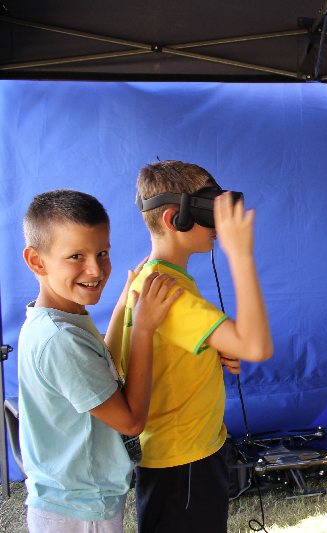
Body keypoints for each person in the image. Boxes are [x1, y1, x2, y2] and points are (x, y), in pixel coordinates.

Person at [116, 160, 274, 532]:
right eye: (209, 211)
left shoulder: (154, 280)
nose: (219, 226)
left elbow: (154, 353)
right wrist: (241, 255)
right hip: (184, 463)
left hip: (181, 457)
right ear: (176, 219)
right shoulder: (167, 292)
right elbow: (256, 347)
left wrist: (208, 351)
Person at [18, 189, 182, 533]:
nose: (95, 269)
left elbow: (98, 369)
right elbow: (131, 421)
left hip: (74, 501)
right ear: (36, 261)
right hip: (79, 511)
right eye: (76, 256)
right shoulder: (60, 339)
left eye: (102, 253)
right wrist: (143, 329)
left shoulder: (60, 319)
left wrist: (125, 301)